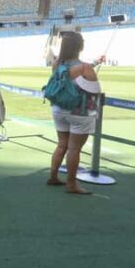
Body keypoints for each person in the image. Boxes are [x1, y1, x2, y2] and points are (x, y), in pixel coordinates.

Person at [47, 32, 101, 195]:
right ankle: (71, 184)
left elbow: (68, 75)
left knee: (61, 144)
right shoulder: (85, 68)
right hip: (79, 112)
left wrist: (96, 62)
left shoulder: (56, 64)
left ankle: (53, 177)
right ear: (80, 47)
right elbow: (95, 90)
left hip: (58, 109)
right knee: (74, 149)